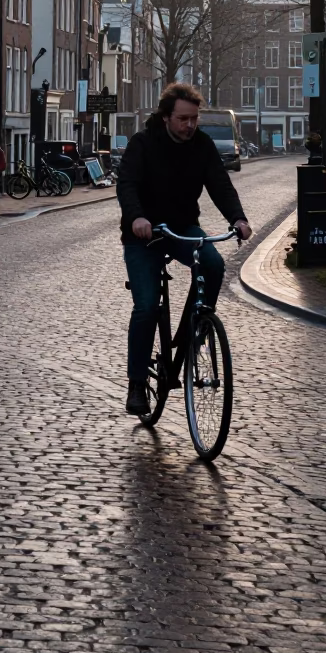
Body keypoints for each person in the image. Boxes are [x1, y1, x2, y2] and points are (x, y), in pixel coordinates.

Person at [117, 82, 252, 417]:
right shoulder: (143, 144)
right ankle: (137, 384)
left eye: (194, 118)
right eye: (183, 119)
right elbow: (127, 185)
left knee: (213, 264)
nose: (190, 125)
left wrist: (238, 218)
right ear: (166, 117)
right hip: (144, 234)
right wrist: (137, 218)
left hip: (182, 228)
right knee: (147, 306)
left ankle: (196, 328)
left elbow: (220, 184)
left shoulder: (202, 145)